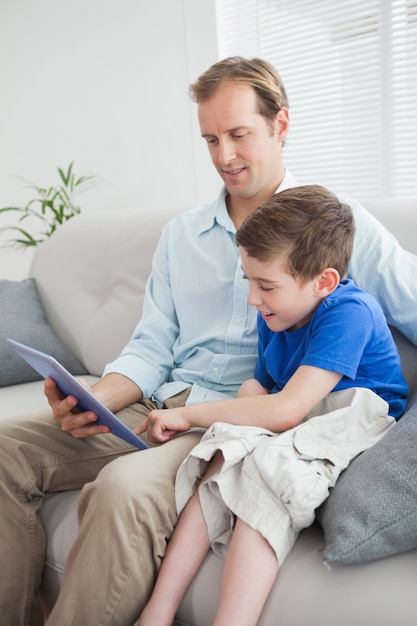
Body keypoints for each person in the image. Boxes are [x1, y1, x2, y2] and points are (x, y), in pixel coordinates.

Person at [0, 57, 415, 626]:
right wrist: (97, 398)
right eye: (210, 139)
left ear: (281, 125)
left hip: (229, 422)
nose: (224, 156)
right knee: (5, 451)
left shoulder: (335, 227)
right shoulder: (182, 235)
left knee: (121, 491)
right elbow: (151, 345)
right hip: (157, 403)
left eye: (239, 135)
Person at [137, 185, 408, 626]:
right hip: (303, 411)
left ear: (324, 281)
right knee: (222, 454)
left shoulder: (350, 312)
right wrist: (253, 396)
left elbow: (285, 409)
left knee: (269, 471)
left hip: (356, 411)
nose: (252, 298)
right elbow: (261, 394)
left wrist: (188, 413)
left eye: (265, 285)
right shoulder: (275, 314)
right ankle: (157, 612)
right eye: (249, 281)